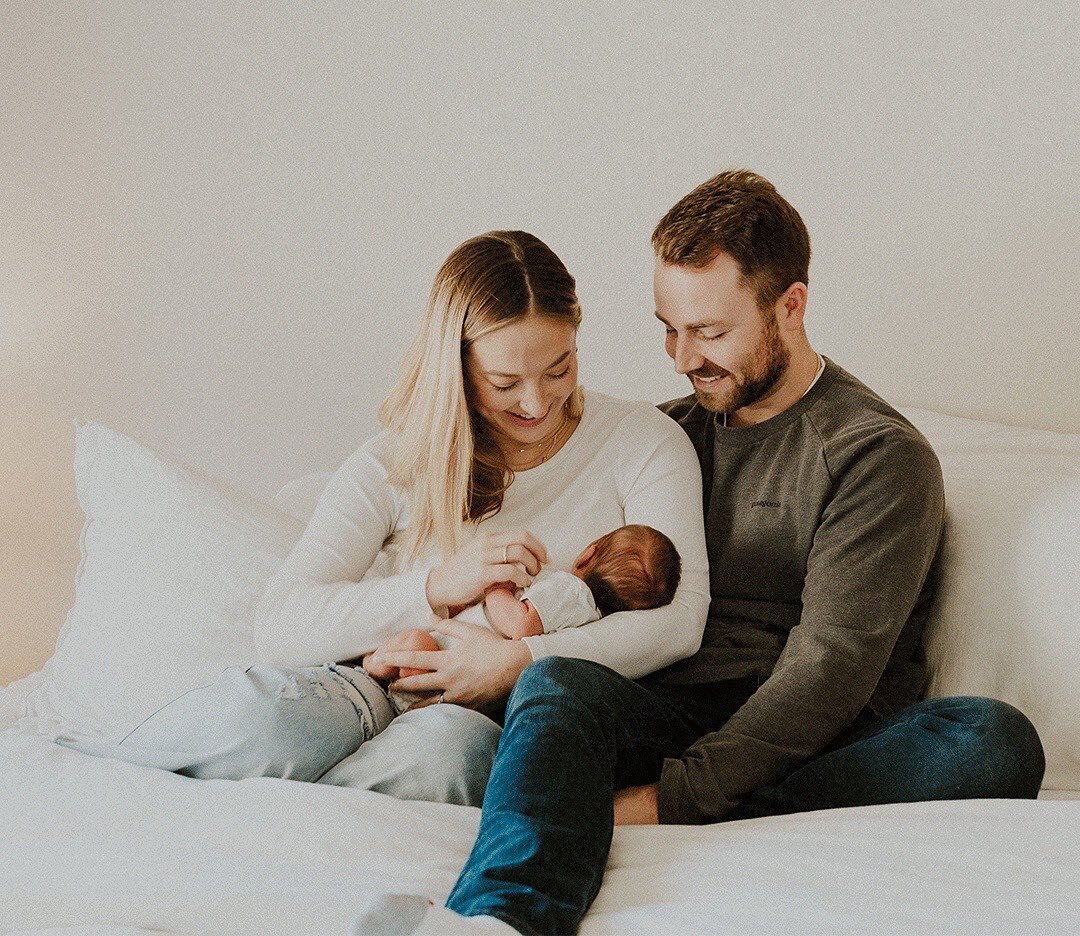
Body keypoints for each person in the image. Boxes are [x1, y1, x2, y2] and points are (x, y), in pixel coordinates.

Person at [361, 171, 1047, 936]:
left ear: (790, 305)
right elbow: (573, 583)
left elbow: (830, 672)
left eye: (710, 333)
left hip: (812, 729)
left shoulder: (874, 456)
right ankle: (496, 922)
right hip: (664, 707)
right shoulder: (667, 435)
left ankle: (623, 812)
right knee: (557, 685)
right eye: (668, 327)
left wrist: (664, 802)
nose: (682, 357)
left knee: (990, 739)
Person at [55, 231, 710, 811]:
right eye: (505, 381)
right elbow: (282, 626)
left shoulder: (640, 443)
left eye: (558, 368)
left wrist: (518, 661)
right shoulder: (394, 463)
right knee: (272, 719)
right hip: (365, 684)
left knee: (442, 760)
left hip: (479, 716)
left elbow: (678, 623)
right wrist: (433, 588)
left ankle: (277, 838)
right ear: (455, 368)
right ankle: (86, 786)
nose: (536, 401)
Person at [366, 524, 681, 712]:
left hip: (448, 658)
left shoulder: (570, 590)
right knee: (413, 641)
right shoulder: (589, 615)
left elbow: (519, 624)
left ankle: (376, 667)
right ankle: (385, 670)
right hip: (460, 665)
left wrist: (496, 587)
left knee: (414, 641)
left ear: (587, 554)